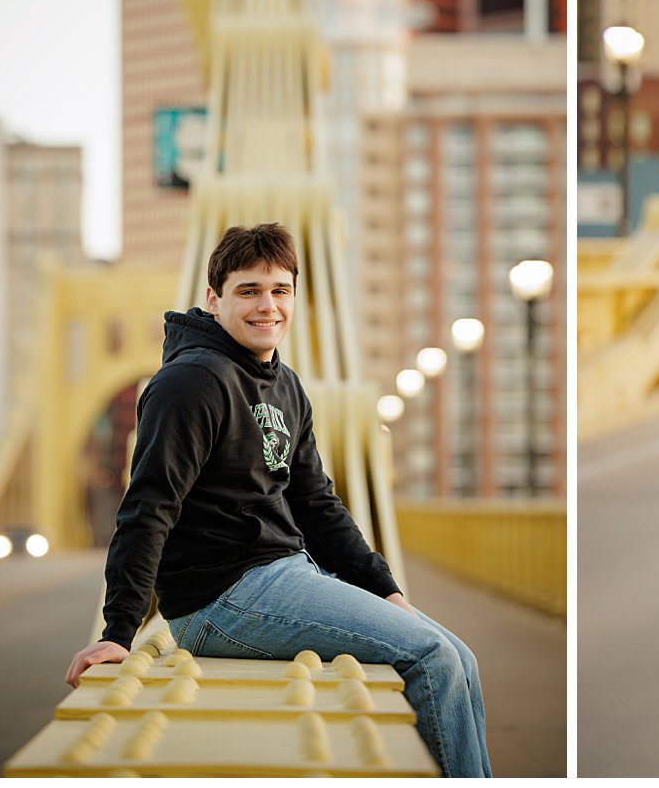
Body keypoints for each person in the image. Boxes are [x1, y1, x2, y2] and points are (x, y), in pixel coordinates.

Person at [65, 223, 492, 778]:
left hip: (286, 577)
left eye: (280, 290)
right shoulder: (189, 383)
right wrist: (117, 633)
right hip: (218, 600)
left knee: (461, 657)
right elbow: (149, 508)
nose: (268, 306)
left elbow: (317, 503)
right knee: (431, 659)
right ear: (214, 299)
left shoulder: (285, 384)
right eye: (249, 291)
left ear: (294, 296)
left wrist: (386, 590)